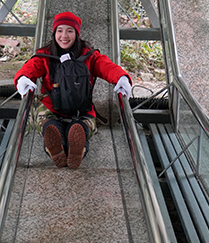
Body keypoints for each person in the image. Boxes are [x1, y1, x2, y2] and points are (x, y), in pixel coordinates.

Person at [14, 11, 132, 169]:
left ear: (77, 33)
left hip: (70, 106)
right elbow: (30, 68)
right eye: (60, 30)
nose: (64, 36)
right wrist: (23, 78)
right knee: (68, 122)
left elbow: (106, 66)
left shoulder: (89, 55)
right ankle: (70, 142)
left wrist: (121, 77)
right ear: (54, 32)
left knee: (49, 120)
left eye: (70, 31)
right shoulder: (45, 56)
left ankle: (64, 141)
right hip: (74, 107)